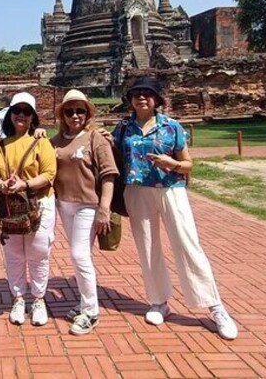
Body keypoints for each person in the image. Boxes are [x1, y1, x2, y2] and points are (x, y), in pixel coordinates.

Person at [112, 77, 238, 341]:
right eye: (136, 94)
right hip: (136, 191)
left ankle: (215, 306)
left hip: (171, 189)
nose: (141, 98)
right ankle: (159, 301)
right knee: (148, 248)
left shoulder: (171, 127)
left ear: (157, 100)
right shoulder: (123, 128)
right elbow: (111, 151)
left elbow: (188, 163)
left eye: (147, 94)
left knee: (187, 245)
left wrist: (173, 163)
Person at [50, 89, 119, 335]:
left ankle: (91, 311)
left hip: (88, 205)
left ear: (87, 113)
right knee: (80, 255)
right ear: (63, 115)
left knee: (79, 255)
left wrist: (104, 208)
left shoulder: (95, 138)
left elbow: (108, 173)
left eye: (80, 110)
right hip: (65, 204)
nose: (75, 115)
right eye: (69, 111)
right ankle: (83, 302)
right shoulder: (55, 142)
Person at [0, 92, 57, 326]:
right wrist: (1, 184)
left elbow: (49, 174)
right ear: (10, 114)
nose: (21, 116)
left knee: (38, 253)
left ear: (33, 116)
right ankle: (18, 298)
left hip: (39, 203)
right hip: (11, 205)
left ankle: (38, 299)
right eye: (17, 111)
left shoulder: (41, 142)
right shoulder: (2, 145)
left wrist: (24, 184)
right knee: (14, 254)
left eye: (27, 112)